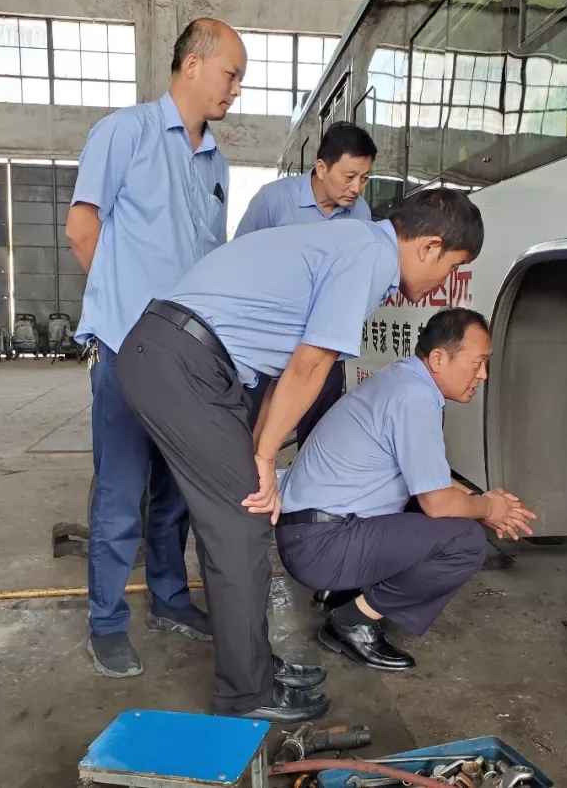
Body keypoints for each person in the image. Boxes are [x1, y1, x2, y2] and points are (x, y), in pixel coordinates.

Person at [114, 188, 486, 722]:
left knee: (241, 517)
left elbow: (287, 371)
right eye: (452, 266)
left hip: (183, 358)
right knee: (242, 524)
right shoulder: (370, 256)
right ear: (429, 247)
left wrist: (259, 450)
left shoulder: (353, 242)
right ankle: (247, 693)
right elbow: (311, 364)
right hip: (184, 361)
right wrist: (264, 459)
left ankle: (253, 665)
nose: (446, 281)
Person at [65, 18, 246, 679]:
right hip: (127, 348)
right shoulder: (126, 133)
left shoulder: (217, 162)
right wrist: (121, 315)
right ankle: (107, 623)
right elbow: (82, 228)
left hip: (187, 358)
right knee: (120, 491)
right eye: (231, 74)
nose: (235, 90)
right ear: (193, 64)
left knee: (174, 493)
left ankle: (170, 600)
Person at [276, 308, 536, 671]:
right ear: (439, 359)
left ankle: (342, 590)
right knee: (464, 541)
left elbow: (430, 478)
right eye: (478, 363)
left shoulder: (404, 380)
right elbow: (437, 501)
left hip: (310, 532)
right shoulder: (415, 397)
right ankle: (351, 622)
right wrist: (489, 509)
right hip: (321, 545)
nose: (483, 375)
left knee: (447, 511)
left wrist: (482, 502)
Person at [233, 122, 378, 441]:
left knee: (319, 432)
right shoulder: (274, 201)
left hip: (323, 341)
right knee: (253, 427)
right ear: (322, 168)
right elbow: (238, 260)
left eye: (365, 179)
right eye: (349, 176)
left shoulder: (360, 214)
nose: (356, 188)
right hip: (267, 340)